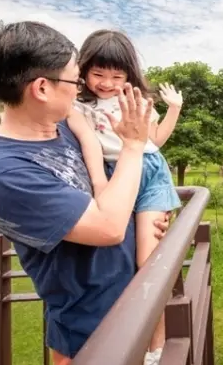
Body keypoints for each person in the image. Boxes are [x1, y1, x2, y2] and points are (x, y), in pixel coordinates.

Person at [0, 21, 170, 365]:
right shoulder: (7, 174)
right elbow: (108, 227)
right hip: (88, 326)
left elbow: (113, 186)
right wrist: (134, 146)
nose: (82, 88)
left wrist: (145, 215)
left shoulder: (63, 128)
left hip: (129, 301)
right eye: (75, 79)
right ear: (42, 88)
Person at [66, 29, 183, 365]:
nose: (106, 83)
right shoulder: (78, 107)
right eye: (98, 74)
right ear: (84, 70)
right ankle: (128, 342)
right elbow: (89, 142)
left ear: (129, 75)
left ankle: (155, 349)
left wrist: (174, 108)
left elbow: (155, 141)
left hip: (151, 172)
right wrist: (100, 183)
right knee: (125, 262)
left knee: (148, 261)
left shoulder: (137, 101)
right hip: (117, 175)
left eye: (116, 76)